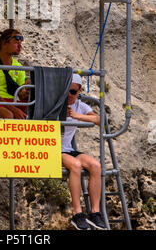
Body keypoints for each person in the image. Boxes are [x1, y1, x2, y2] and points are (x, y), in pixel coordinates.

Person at [61, 73, 107, 230]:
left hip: (67, 148)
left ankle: (95, 212)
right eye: (66, 90)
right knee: (75, 165)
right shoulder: (55, 101)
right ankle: (77, 213)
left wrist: (77, 116)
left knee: (96, 165)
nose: (69, 95)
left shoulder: (79, 106)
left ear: (79, 91)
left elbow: (100, 119)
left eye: (73, 92)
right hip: (51, 148)